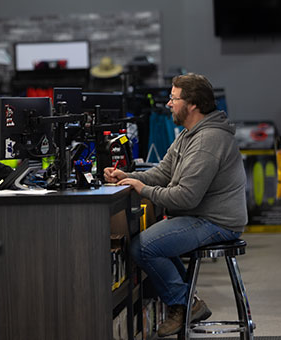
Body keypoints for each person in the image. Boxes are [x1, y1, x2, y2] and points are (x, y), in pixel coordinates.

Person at [104, 73, 247, 337]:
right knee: (153, 241)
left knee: (143, 246)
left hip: (216, 221)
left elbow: (185, 197)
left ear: (192, 104)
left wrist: (142, 189)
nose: (169, 104)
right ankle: (185, 302)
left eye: (173, 98)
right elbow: (161, 173)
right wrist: (129, 177)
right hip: (198, 216)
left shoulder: (207, 141)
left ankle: (184, 303)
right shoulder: (188, 135)